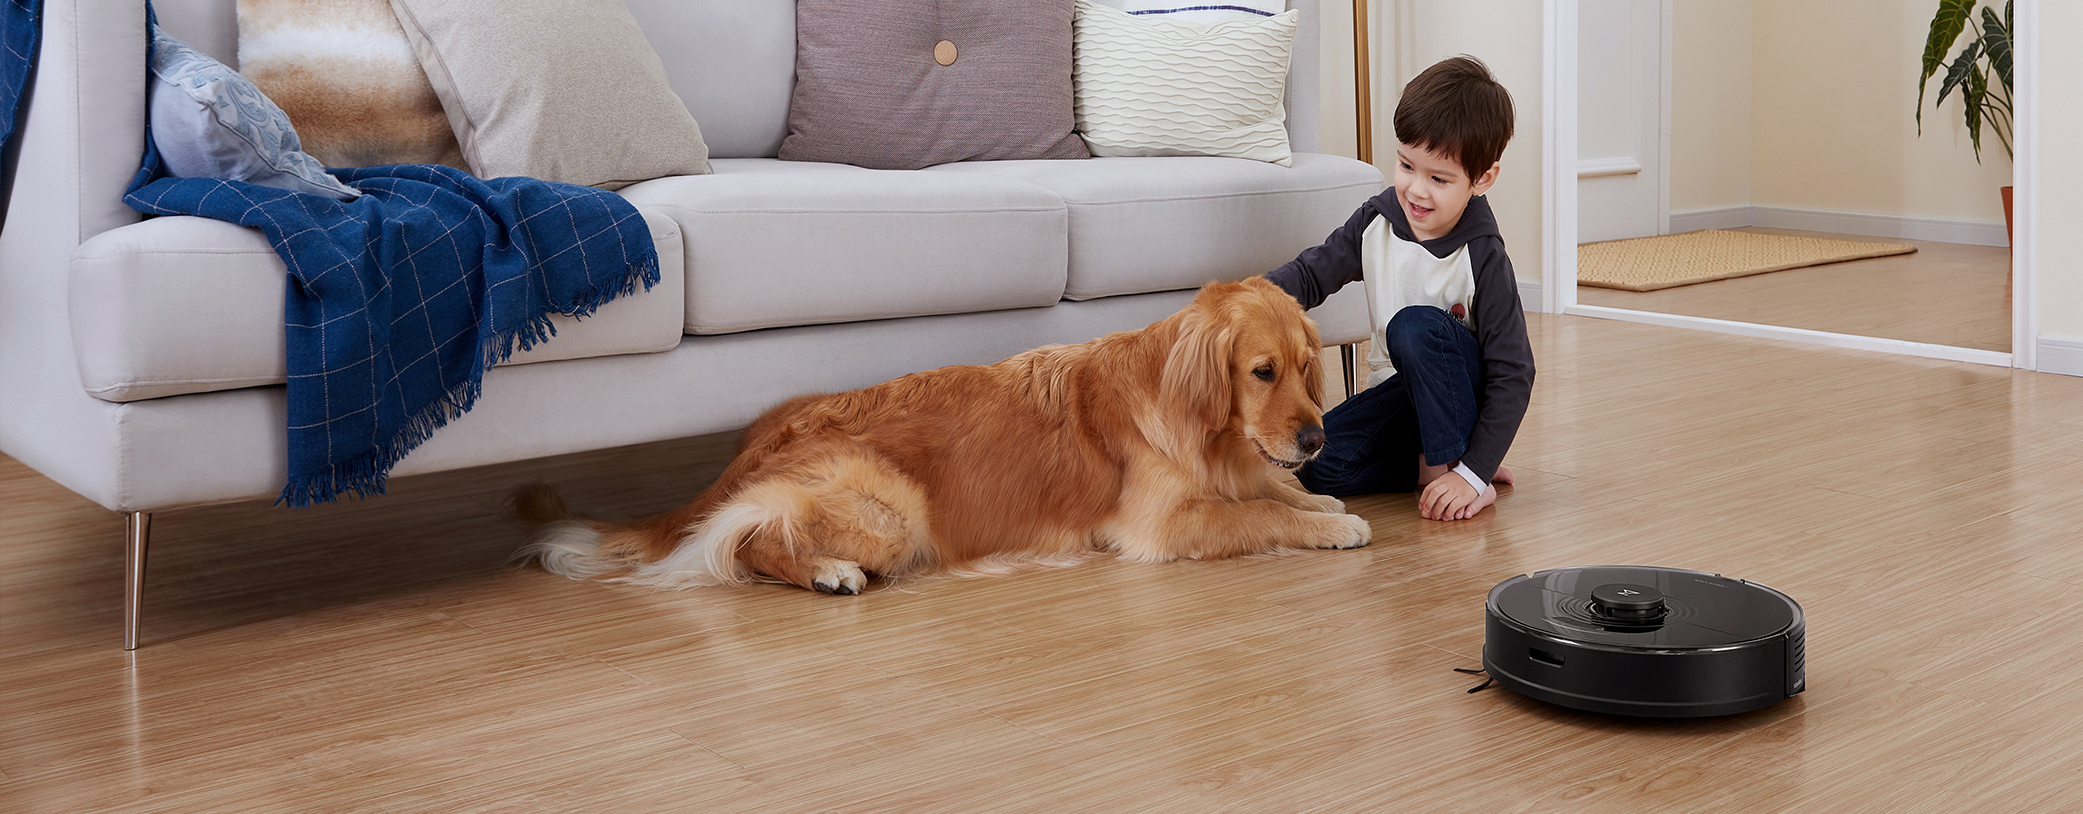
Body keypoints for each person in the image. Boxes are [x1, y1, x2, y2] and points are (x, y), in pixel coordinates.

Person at [1264, 55, 1534, 521]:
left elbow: (1514, 372)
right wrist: (1246, 301)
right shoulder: (1377, 220)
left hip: (1457, 398)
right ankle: (1436, 465)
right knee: (1316, 460)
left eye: (1439, 179)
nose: (1416, 190)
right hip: (1399, 397)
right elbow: (1310, 275)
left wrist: (1472, 472)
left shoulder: (1483, 254)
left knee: (1412, 327)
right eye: (1407, 166)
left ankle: (1463, 470)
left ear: (1482, 179)